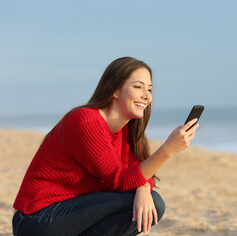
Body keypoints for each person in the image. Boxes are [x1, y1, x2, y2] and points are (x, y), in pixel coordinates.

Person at [12, 57, 199, 236]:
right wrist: (167, 149)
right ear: (115, 90)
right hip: (36, 219)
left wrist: (143, 188)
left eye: (150, 89)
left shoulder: (126, 130)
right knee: (151, 202)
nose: (146, 96)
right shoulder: (86, 121)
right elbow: (121, 180)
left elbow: (139, 172)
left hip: (71, 216)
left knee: (152, 202)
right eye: (137, 87)